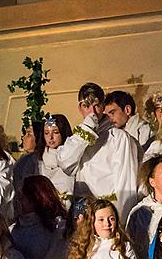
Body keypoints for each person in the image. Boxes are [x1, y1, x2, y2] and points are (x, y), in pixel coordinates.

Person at [51, 83, 140, 220]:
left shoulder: (118, 138)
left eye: (97, 105)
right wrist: (87, 130)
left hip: (107, 214)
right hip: (83, 213)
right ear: (80, 109)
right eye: (87, 106)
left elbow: (126, 186)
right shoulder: (78, 138)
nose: (92, 111)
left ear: (103, 107)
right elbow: (65, 163)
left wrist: (119, 221)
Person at [14, 115, 75, 208]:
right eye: (46, 133)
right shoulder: (37, 159)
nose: (50, 137)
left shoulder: (72, 156)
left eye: (55, 132)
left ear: (63, 132)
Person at [105, 90, 153, 154]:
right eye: (107, 116)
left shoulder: (146, 131)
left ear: (127, 110)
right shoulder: (111, 134)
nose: (109, 119)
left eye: (112, 113)